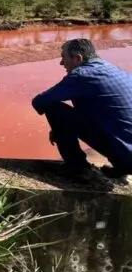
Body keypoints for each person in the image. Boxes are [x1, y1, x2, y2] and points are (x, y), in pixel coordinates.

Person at [31, 38, 132, 180]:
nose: (61, 63)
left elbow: (40, 101)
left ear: (78, 58)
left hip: (127, 157)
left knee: (53, 107)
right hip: (127, 153)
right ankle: (121, 168)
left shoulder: (82, 75)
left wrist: (62, 128)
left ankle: (76, 167)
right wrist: (63, 128)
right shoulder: (116, 71)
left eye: (63, 57)